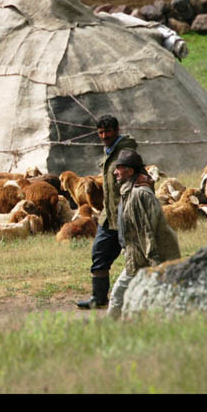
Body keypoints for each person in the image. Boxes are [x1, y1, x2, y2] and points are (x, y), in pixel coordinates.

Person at [105, 148, 180, 319]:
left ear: (130, 171)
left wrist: (155, 265)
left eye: (119, 168)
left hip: (148, 257)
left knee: (119, 295)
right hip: (141, 256)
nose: (115, 172)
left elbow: (146, 233)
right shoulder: (130, 191)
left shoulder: (138, 194)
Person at [76, 114, 139, 309]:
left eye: (107, 131)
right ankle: (99, 298)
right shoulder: (109, 152)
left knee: (135, 257)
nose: (104, 136)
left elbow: (139, 176)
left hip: (126, 214)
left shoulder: (126, 152)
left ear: (116, 130)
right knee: (99, 253)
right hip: (108, 215)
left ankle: (140, 296)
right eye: (101, 132)